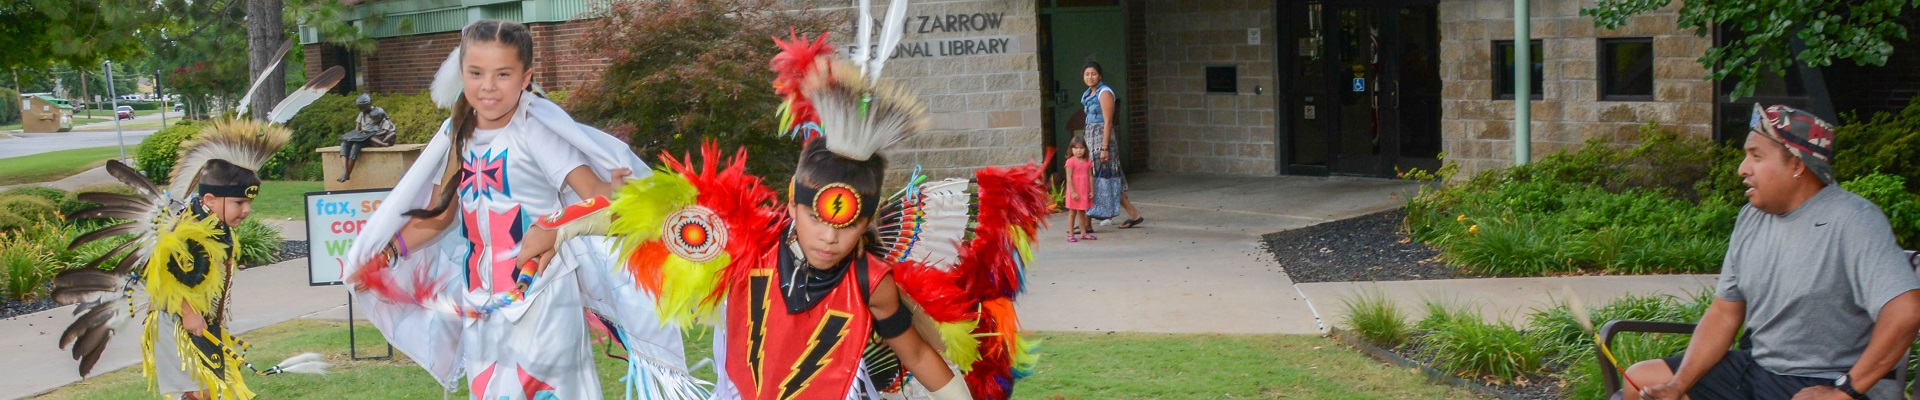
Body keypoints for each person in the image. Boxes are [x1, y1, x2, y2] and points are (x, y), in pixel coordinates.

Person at [343, 19, 702, 399]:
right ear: (461, 74)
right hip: (481, 301)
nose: (488, 86)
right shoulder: (458, 135)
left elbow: (589, 193)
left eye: (503, 74)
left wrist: (617, 193)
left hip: (544, 299)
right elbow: (439, 215)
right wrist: (383, 256)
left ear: (525, 77)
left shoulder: (536, 129)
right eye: (476, 73)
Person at [1625, 104, 1920, 400]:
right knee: (1640, 380)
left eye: (1756, 156)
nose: (1742, 168)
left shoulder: (1854, 220)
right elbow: (1723, 315)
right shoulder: (1751, 218)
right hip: (1758, 369)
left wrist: (1844, 391)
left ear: (1796, 164)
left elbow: (1906, 311)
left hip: (1827, 379)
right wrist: (1678, 385)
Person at [1081, 61, 1144, 229]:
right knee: (1094, 178)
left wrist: (1104, 147)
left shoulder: (1105, 92)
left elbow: (1108, 122)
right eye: (1087, 74)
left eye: (1093, 74)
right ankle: (1132, 214)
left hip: (1102, 139)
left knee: (1106, 179)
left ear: (1100, 76)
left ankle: (1132, 214)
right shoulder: (1088, 93)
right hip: (1090, 138)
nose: (1090, 77)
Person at [338, 93, 397, 182]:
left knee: (355, 146)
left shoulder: (378, 112)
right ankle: (345, 172)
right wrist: (355, 135)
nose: (362, 110)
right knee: (344, 144)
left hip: (371, 137)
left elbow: (389, 126)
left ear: (368, 104)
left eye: (364, 107)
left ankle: (347, 173)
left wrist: (383, 136)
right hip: (361, 135)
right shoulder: (362, 114)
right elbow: (357, 127)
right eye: (360, 108)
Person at [1064, 134, 1095, 242]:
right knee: (1072, 213)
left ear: (1085, 149)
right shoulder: (1070, 162)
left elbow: (1090, 176)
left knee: (1082, 212)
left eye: (1081, 148)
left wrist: (1092, 190)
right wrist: (1072, 192)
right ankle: (1071, 234)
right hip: (1074, 192)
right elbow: (1069, 178)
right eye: (1076, 148)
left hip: (1083, 191)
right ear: (1071, 149)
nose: (1079, 151)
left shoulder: (1087, 162)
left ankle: (1083, 232)